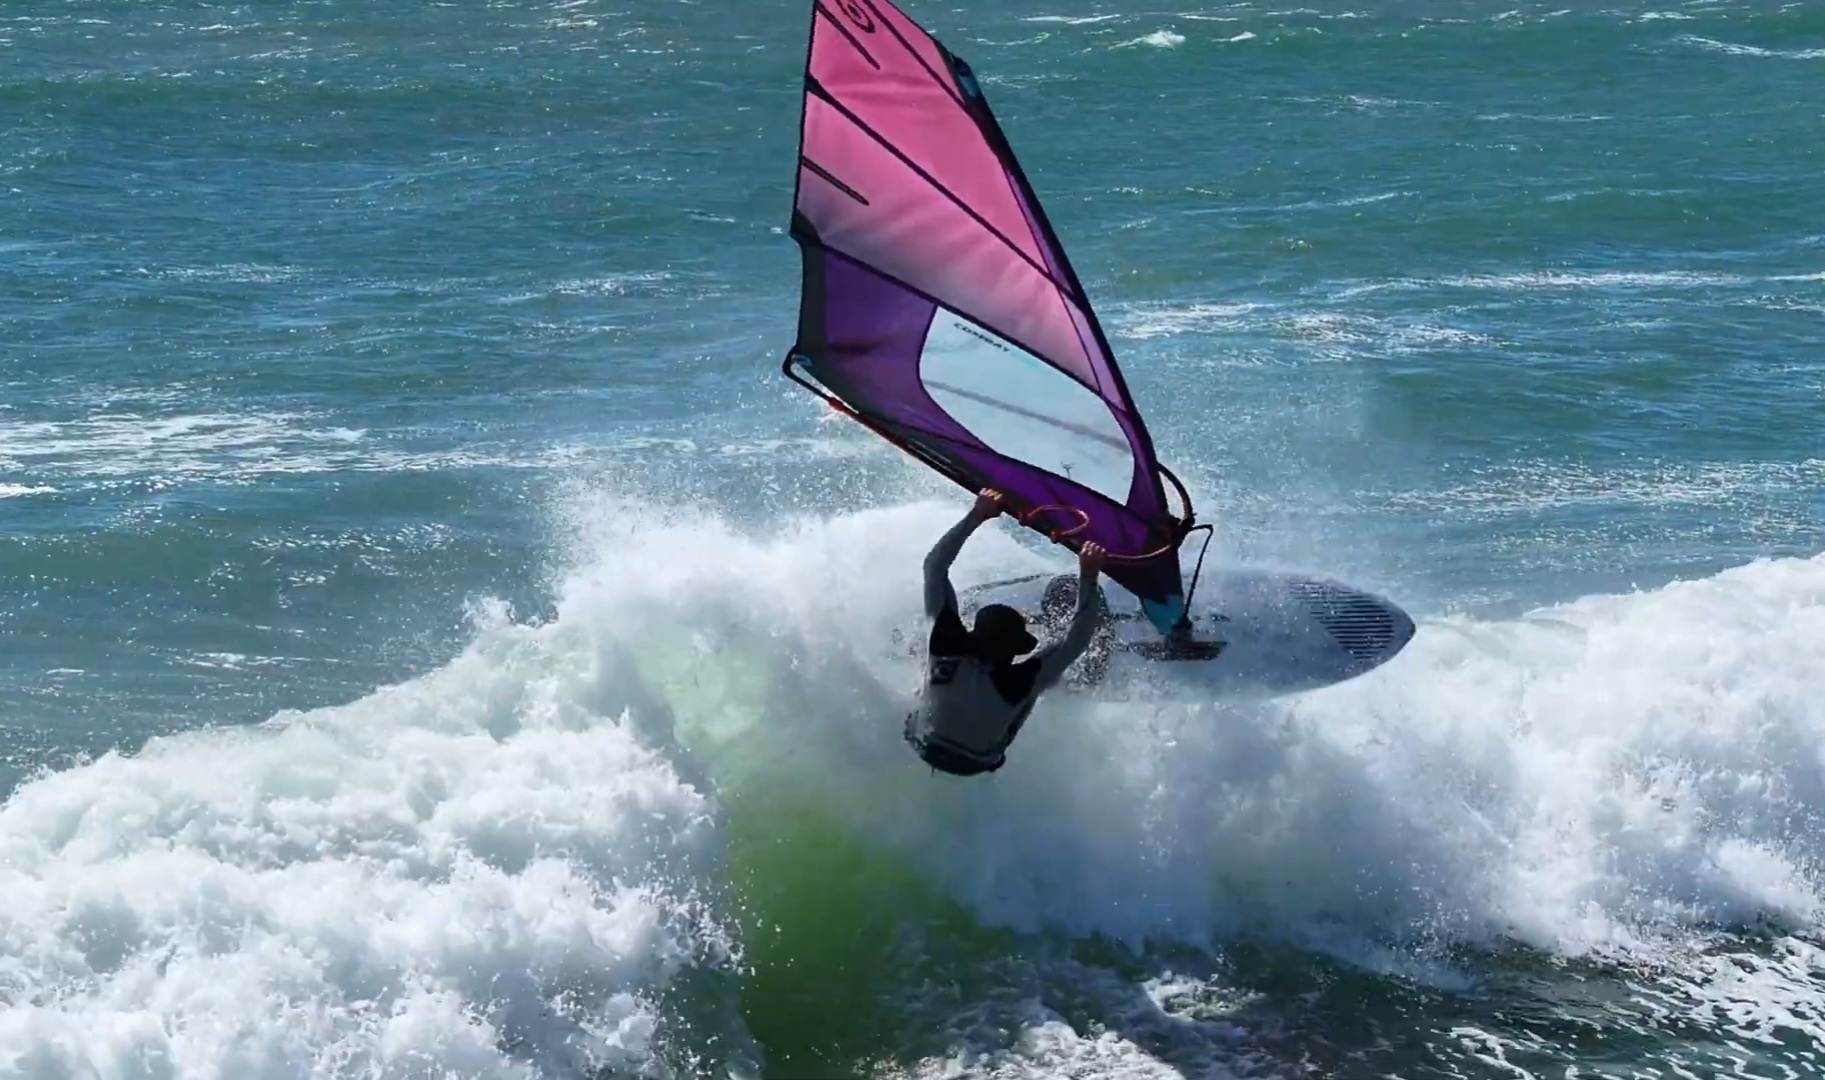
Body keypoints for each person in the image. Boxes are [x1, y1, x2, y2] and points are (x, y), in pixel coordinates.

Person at [904, 487, 1108, 776]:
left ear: (973, 631)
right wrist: (1089, 576)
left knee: (935, 665)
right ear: (1014, 650)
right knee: (1039, 682)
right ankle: (1075, 680)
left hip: (924, 742)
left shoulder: (945, 643)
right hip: (974, 762)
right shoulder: (1020, 682)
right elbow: (1077, 640)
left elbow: (934, 567)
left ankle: (934, 690)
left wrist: (978, 515)